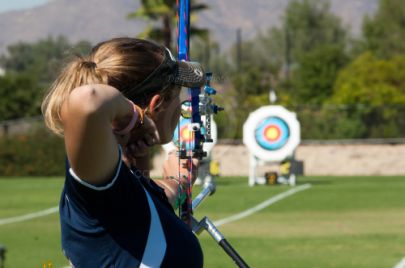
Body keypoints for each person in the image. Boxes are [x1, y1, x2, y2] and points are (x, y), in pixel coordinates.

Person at [41, 37, 206, 267]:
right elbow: (87, 101)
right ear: (157, 104)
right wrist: (136, 118)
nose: (182, 106)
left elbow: (147, 205)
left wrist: (177, 179)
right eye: (178, 95)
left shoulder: (121, 182)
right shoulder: (101, 183)